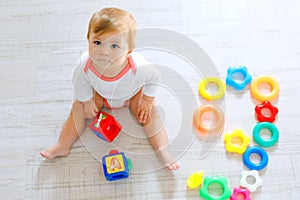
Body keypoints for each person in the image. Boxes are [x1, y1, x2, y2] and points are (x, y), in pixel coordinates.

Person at [40, 7, 180, 170]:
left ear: (129, 51)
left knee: (150, 114)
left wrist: (147, 101)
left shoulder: (139, 67)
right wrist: (86, 102)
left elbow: (155, 78)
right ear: (88, 40)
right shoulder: (84, 64)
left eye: (114, 46)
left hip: (132, 95)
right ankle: (62, 145)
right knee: (77, 108)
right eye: (97, 42)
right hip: (100, 95)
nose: (104, 52)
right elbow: (79, 83)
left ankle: (163, 151)